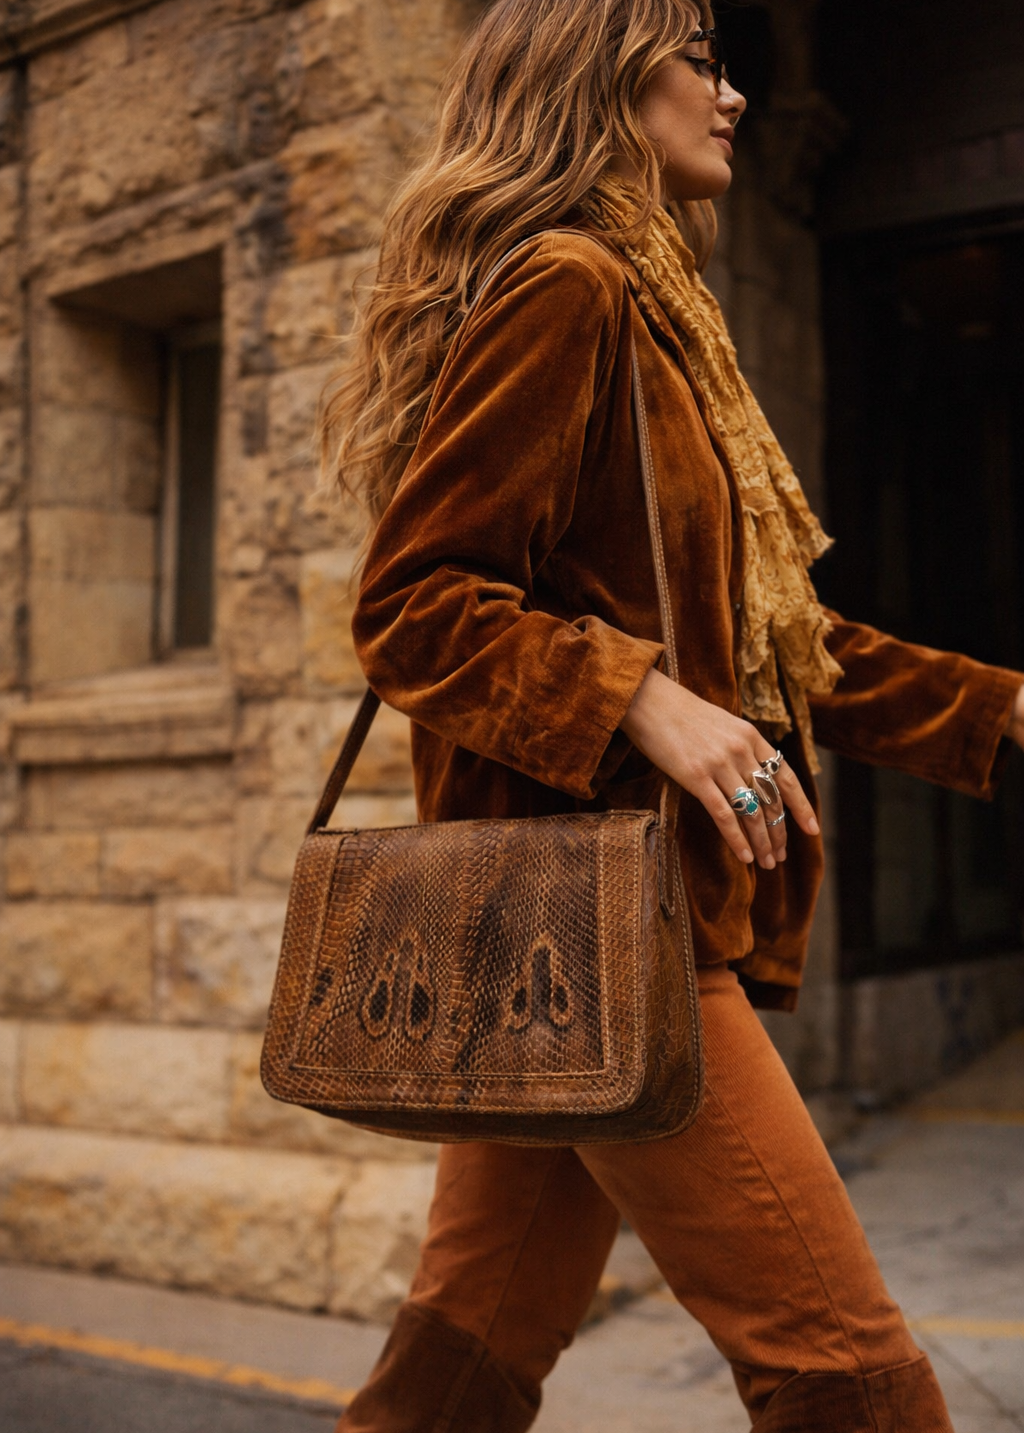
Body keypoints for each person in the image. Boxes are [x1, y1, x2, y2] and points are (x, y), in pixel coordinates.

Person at [318, 1, 1024, 1428]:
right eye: (701, 59)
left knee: (461, 1363)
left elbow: (778, 644)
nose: (737, 94)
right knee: (852, 1379)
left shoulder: (656, 319)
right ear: (603, 75)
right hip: (605, 922)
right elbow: (413, 602)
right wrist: (638, 699)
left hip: (564, 947)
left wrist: (1004, 712)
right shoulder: (570, 285)